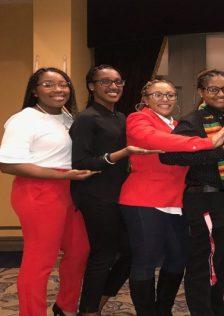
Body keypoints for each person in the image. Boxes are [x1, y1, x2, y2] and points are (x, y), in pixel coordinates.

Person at [118, 78, 224, 316]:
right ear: (145, 99)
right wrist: (206, 143)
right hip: (143, 200)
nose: (165, 99)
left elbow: (187, 156)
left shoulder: (178, 124)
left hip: (178, 202)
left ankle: (163, 310)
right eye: (157, 95)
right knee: (145, 261)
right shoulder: (138, 119)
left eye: (170, 95)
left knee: (179, 259)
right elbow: (156, 141)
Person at [0, 67, 93, 316]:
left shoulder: (68, 117)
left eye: (63, 84)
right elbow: (8, 165)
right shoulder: (24, 119)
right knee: (40, 261)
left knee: (80, 250)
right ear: (35, 91)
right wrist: (62, 175)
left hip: (70, 189)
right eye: (48, 85)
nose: (58, 89)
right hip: (38, 191)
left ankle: (65, 306)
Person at [159, 69, 224, 316]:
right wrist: (221, 153)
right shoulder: (192, 121)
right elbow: (169, 156)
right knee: (202, 264)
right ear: (201, 92)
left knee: (220, 262)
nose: (221, 94)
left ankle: (216, 308)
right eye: (213, 89)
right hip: (203, 201)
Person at [69, 65, 156, 315]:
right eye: (105, 82)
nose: (114, 86)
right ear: (91, 86)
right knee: (103, 255)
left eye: (118, 81)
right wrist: (121, 154)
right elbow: (80, 162)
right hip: (95, 195)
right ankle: (88, 310)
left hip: (120, 195)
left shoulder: (121, 118)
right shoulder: (86, 119)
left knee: (130, 251)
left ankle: (99, 300)